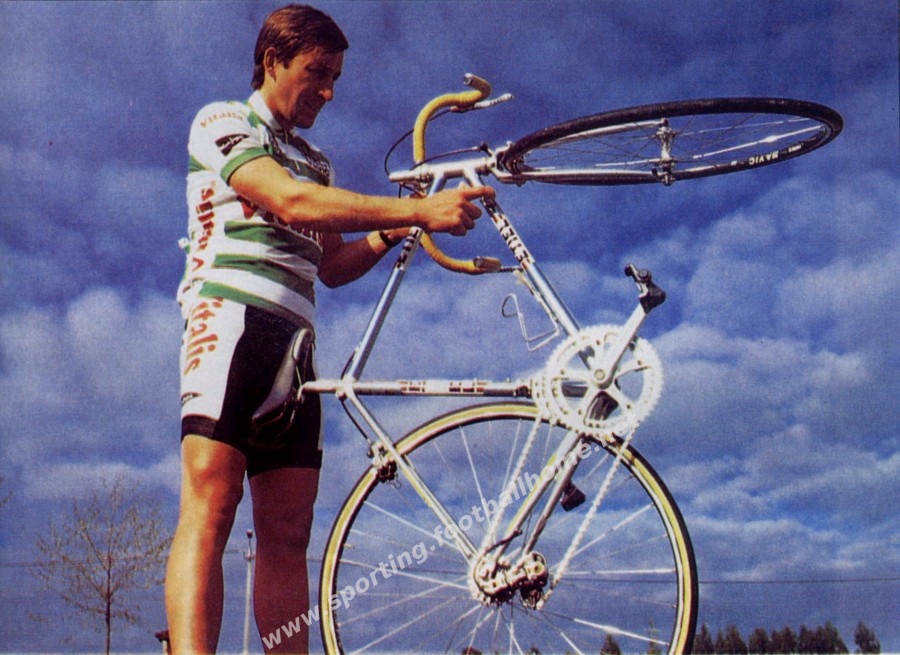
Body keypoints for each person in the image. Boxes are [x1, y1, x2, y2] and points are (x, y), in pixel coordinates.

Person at [164, 5, 494, 654]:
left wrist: (395, 228)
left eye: (336, 78)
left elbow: (333, 265)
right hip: (230, 321)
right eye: (317, 73)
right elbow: (288, 200)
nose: (329, 92)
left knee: (289, 535)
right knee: (212, 505)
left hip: (296, 344)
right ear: (272, 62)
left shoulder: (317, 162)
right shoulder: (224, 121)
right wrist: (418, 210)